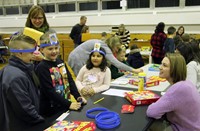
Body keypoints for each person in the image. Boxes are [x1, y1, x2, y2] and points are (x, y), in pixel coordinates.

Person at [35, 32, 87, 117]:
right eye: (50, 49)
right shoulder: (42, 67)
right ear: (41, 50)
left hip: (63, 105)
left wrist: (77, 96)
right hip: (50, 109)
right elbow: (49, 91)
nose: (54, 51)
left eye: (56, 48)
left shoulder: (61, 62)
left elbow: (69, 80)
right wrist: (68, 104)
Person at [0, 34, 44, 131]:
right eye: (32, 52)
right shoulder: (16, 77)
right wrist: (42, 121)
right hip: (21, 126)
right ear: (20, 53)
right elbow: (25, 109)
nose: (35, 55)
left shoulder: (23, 69)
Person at [146, 53, 200, 131]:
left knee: (151, 125)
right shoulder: (186, 84)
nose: (160, 67)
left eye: (164, 65)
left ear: (174, 69)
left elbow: (152, 112)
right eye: (161, 64)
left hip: (183, 128)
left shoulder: (178, 89)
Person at [68, 36, 143, 76]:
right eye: (117, 48)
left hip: (75, 57)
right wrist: (134, 70)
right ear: (113, 45)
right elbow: (116, 63)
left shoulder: (102, 44)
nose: (117, 50)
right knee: (83, 81)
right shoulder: (104, 47)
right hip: (76, 59)